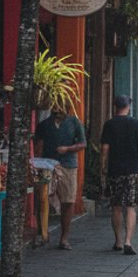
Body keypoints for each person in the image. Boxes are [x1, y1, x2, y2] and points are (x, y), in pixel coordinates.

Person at [100, 95, 138, 255]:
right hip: (133, 170)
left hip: (115, 170)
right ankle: (128, 240)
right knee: (130, 207)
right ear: (129, 106)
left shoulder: (109, 125)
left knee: (116, 206)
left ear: (115, 106)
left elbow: (105, 150)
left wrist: (103, 167)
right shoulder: (137, 124)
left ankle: (118, 241)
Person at [34, 106, 86, 250]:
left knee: (68, 201)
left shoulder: (74, 122)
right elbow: (37, 143)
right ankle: (42, 233)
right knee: (42, 198)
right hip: (48, 164)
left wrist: (68, 149)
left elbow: (83, 143)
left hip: (68, 165)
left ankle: (64, 238)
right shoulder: (44, 124)